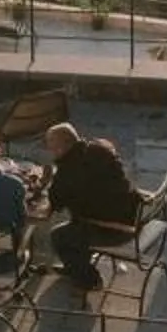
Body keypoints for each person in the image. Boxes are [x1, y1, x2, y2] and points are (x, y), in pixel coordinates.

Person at [44, 121, 141, 292]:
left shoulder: (67, 171)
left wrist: (47, 181)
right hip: (133, 214)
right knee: (77, 223)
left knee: (59, 236)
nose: (51, 151)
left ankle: (89, 281)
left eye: (52, 147)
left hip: (115, 229)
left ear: (61, 147)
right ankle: (77, 266)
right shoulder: (100, 148)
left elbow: (55, 203)